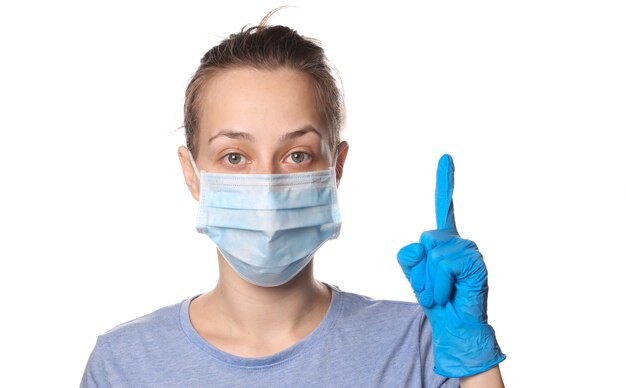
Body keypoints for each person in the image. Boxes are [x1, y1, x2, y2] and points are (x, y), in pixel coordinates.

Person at [81, 10, 505, 388]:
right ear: (192, 174)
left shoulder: (417, 347)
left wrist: (476, 361)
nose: (267, 185)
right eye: (235, 157)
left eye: (297, 155)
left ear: (335, 169)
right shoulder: (124, 365)